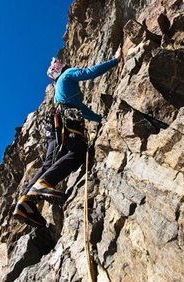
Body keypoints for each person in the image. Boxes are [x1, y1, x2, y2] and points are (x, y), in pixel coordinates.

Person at [13, 46, 123, 227]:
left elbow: (83, 111)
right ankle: (44, 184)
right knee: (78, 151)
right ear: (60, 68)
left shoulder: (60, 91)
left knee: (49, 163)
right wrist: (115, 60)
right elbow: (89, 72)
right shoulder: (67, 75)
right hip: (66, 126)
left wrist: (101, 120)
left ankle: (25, 202)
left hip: (55, 130)